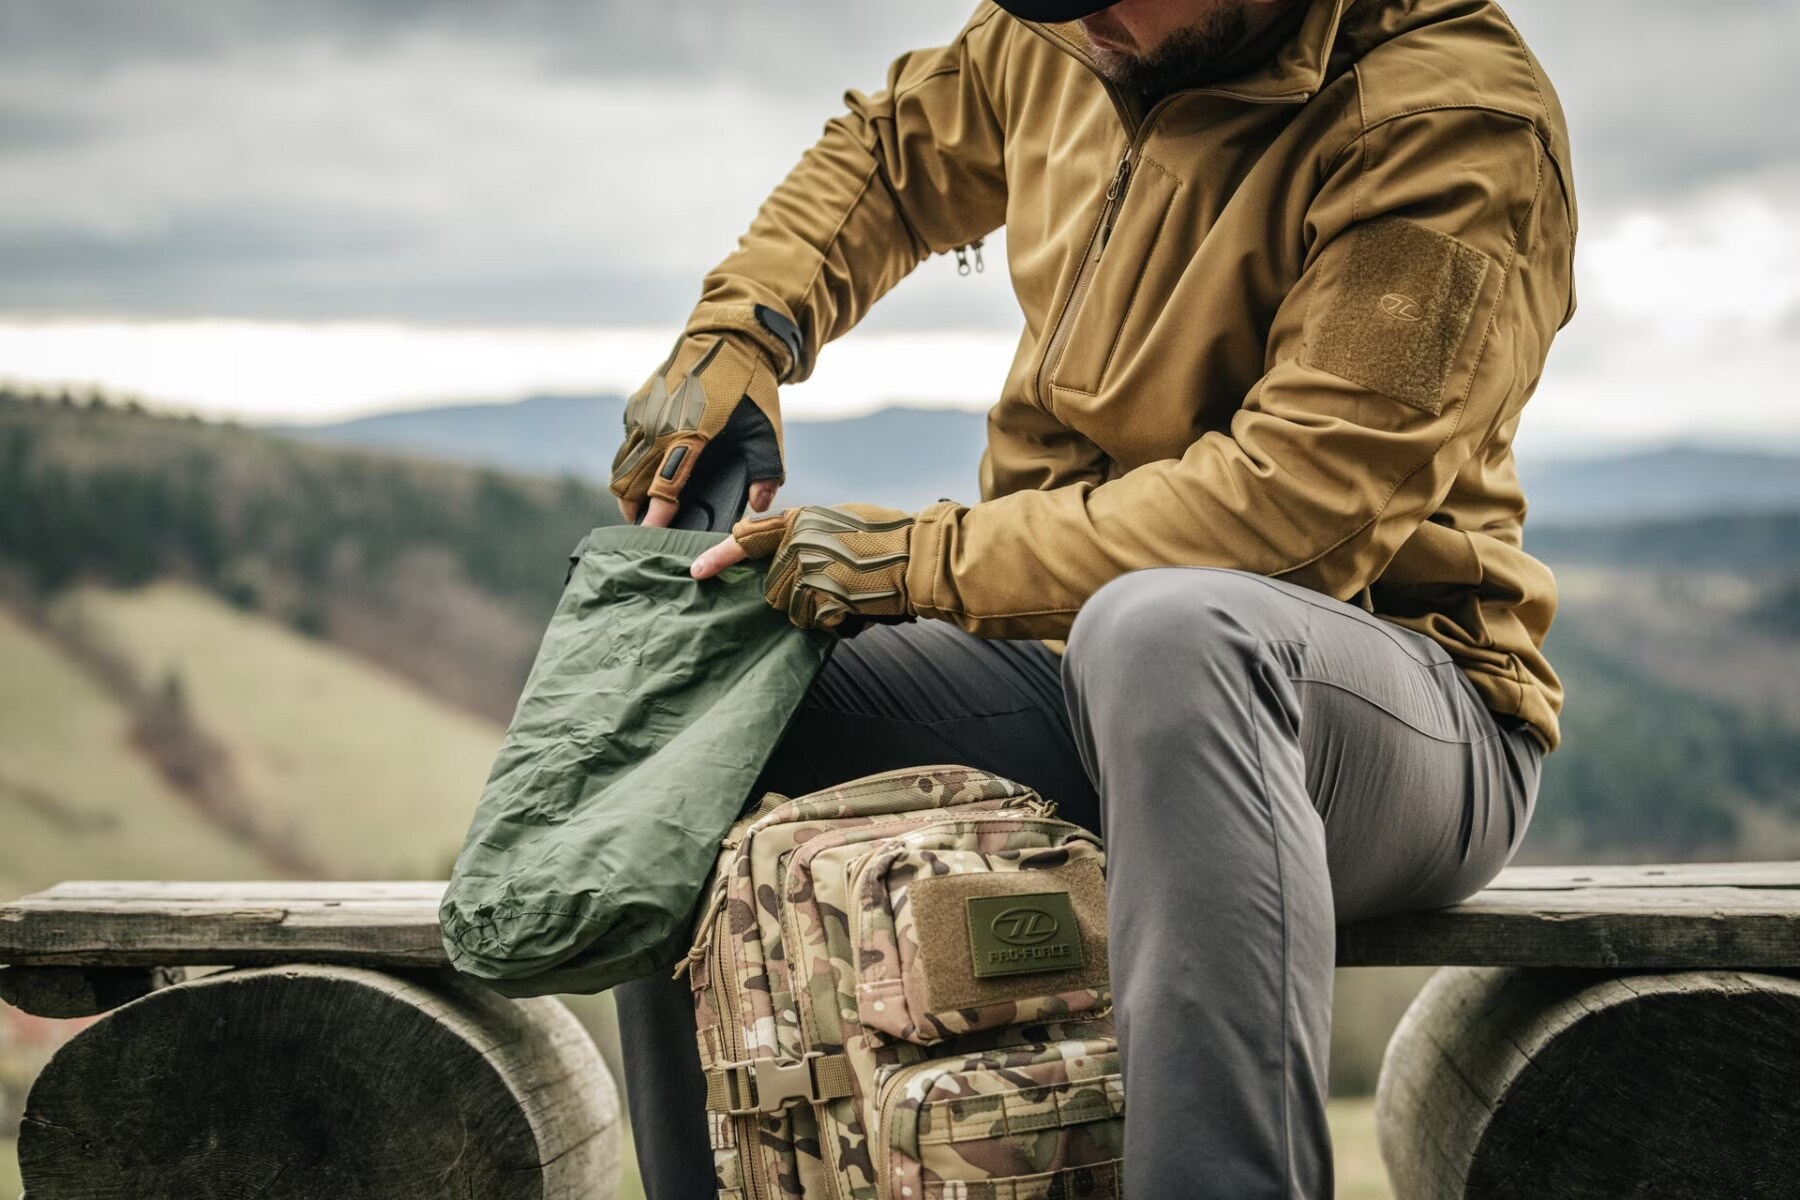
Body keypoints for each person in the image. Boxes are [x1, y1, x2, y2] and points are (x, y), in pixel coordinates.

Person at [609, 0, 1576, 1194]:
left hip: (1391, 716)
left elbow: (1290, 511)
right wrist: (739, 332)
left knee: (1170, 628)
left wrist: (924, 563)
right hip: (1075, 675)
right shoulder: (1071, 25)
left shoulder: (1451, 117)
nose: (1077, 25)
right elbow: (893, 154)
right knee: (698, 668)